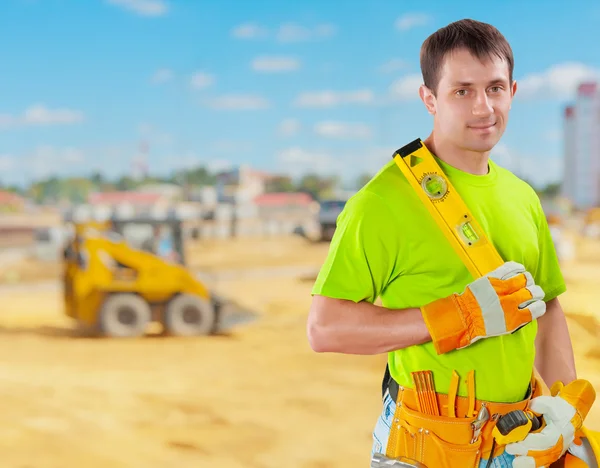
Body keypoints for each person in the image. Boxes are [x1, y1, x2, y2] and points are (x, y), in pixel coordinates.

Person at [307, 19, 598, 468]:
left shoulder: (523, 197)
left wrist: (563, 415)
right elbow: (325, 328)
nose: (483, 107)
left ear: (513, 92)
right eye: (462, 91)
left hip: (518, 441)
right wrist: (458, 315)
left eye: (495, 88)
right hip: (427, 445)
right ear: (429, 99)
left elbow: (547, 309)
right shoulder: (381, 202)